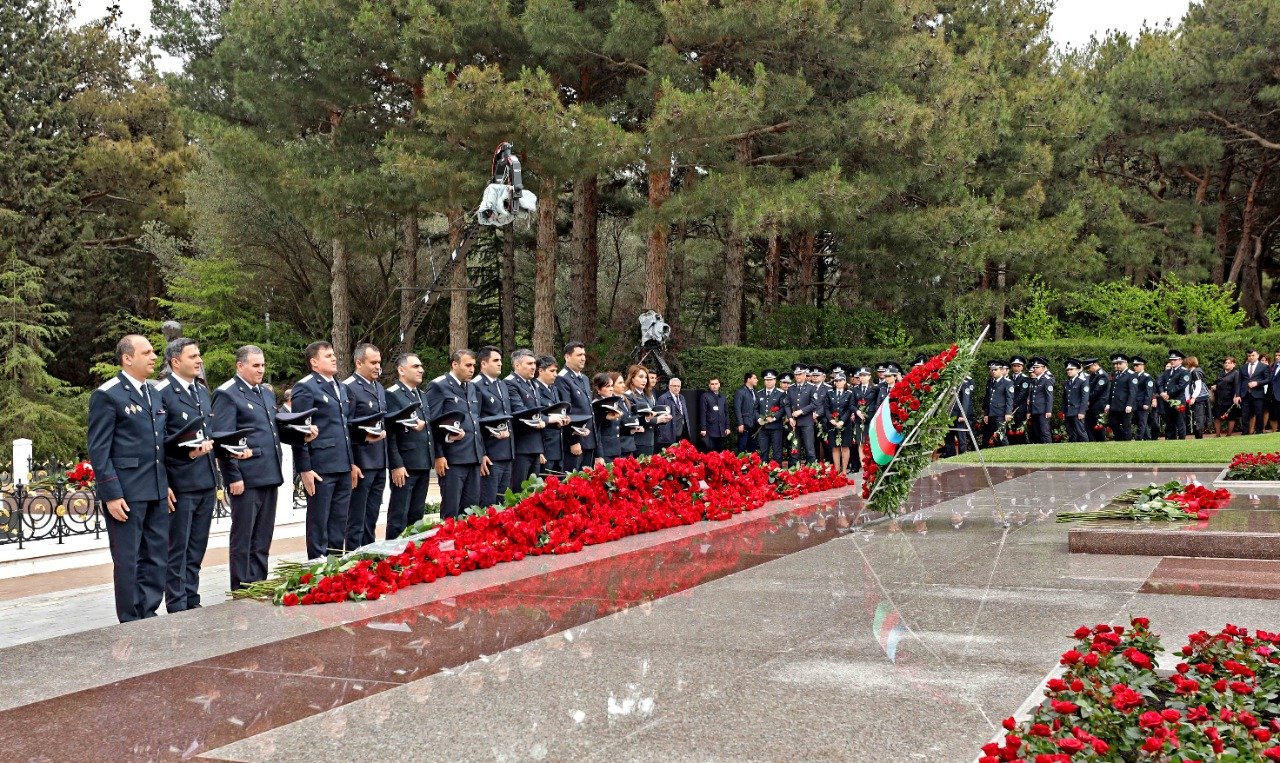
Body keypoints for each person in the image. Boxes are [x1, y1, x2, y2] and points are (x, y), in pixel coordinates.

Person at [88, 335, 171, 623]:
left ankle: (149, 610)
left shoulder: (154, 393)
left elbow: (159, 443)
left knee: (157, 555)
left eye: (153, 352)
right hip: (127, 491)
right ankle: (130, 617)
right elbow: (99, 450)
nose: (154, 357)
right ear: (127, 358)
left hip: (156, 488)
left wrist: (167, 483)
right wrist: (111, 493)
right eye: (146, 352)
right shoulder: (108, 394)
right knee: (128, 559)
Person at [212, 345, 292, 591]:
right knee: (244, 537)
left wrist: (301, 434)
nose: (261, 370)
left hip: (269, 474)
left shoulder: (265, 393)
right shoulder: (227, 394)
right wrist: (232, 476)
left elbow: (273, 429)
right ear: (240, 366)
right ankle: (242, 588)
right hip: (246, 477)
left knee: (262, 536)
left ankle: (259, 583)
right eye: (255, 365)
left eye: (263, 365)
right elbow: (224, 439)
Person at [155, 338, 219, 612]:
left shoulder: (202, 392)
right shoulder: (162, 393)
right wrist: (164, 482)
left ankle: (192, 598)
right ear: (175, 362)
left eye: (199, 354)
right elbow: (157, 444)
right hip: (180, 482)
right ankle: (177, 603)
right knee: (177, 549)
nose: (199, 360)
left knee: (196, 547)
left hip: (205, 480)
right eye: (193, 356)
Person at [290, 342, 358, 559]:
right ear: (314, 362)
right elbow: (299, 430)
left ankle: (336, 565)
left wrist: (352, 462)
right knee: (319, 521)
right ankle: (318, 566)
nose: (334, 358)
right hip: (320, 465)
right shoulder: (306, 387)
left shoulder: (341, 387)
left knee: (339, 520)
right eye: (328, 355)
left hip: (342, 463)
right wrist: (304, 468)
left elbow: (344, 428)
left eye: (334, 354)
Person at [425, 348, 489, 519]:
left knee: (471, 510)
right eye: (467, 365)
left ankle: (465, 545)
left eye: (473, 366)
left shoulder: (472, 387)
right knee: (451, 512)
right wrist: (438, 455)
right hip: (452, 460)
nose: (472, 369)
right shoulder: (438, 386)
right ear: (455, 364)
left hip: (473, 458)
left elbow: (475, 422)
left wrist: (481, 454)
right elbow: (433, 424)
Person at [342, 343, 388, 550]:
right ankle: (353, 558)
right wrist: (351, 462)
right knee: (356, 517)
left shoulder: (378, 387)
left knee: (371, 514)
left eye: (379, 362)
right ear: (358, 362)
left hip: (379, 461)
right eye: (373, 362)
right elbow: (346, 428)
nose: (378, 366)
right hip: (361, 461)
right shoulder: (348, 387)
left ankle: (368, 555)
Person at [384, 353, 433, 540]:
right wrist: (396, 464)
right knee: (399, 514)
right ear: (401, 370)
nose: (421, 370)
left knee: (416, 514)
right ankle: (393, 553)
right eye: (415, 366)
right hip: (405, 464)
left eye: (421, 366)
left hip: (422, 461)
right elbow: (391, 432)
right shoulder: (393, 394)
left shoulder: (421, 395)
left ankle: (413, 553)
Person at [476, 346, 514, 505]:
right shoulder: (476, 385)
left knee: (503, 502)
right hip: (490, 454)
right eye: (495, 360)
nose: (500, 364)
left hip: (506, 452)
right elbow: (475, 421)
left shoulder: (502, 384)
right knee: (488, 503)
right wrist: (481, 453)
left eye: (500, 360)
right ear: (483, 364)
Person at [505, 348, 546, 489]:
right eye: (529, 363)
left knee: (532, 492)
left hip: (534, 446)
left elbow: (538, 411)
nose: (533, 367)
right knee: (518, 490)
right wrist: (547, 420)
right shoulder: (510, 383)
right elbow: (520, 412)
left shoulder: (533, 384)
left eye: (534, 363)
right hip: (521, 446)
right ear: (517, 365)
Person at [556, 341, 595, 470]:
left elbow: (588, 410)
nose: (583, 358)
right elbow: (566, 412)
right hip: (575, 441)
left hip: (588, 439)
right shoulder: (562, 378)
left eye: (584, 354)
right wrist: (574, 441)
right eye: (579, 355)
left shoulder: (584, 378)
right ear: (567, 357)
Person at [535, 356, 569, 472]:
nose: (555, 374)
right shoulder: (534, 388)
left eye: (556, 371)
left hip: (558, 446)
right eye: (552, 371)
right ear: (540, 370)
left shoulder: (554, 389)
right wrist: (539, 450)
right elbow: (535, 416)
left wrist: (563, 419)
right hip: (545, 446)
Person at [623, 365, 664, 457]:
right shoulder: (628, 395)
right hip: (636, 441)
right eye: (641, 377)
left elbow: (652, 414)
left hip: (649, 439)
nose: (644, 380)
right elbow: (631, 418)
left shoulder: (647, 395)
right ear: (632, 378)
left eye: (646, 377)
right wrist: (657, 420)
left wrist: (662, 419)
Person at [822, 369, 854, 472]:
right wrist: (831, 419)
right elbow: (826, 408)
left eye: (840, 380)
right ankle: (836, 470)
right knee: (834, 447)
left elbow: (850, 408)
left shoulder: (849, 393)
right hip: (832, 424)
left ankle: (844, 470)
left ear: (845, 381)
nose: (838, 382)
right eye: (836, 381)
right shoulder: (829, 393)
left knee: (845, 447)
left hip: (845, 424)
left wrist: (842, 421)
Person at [786, 365, 818, 463]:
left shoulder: (811, 387)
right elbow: (786, 404)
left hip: (807, 422)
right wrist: (790, 418)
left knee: (810, 449)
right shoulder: (791, 388)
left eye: (800, 374)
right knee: (794, 449)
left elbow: (814, 404)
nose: (798, 376)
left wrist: (801, 411)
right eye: (796, 374)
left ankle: (812, 472)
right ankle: (794, 473)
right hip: (794, 423)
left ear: (804, 375)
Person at [755, 369, 786, 464]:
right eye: (767, 380)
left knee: (777, 451)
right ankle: (763, 473)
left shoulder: (781, 393)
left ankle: (777, 473)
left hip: (776, 427)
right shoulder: (759, 393)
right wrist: (759, 418)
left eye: (771, 379)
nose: (769, 382)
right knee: (763, 451)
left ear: (775, 380)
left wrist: (774, 417)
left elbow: (783, 409)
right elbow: (755, 409)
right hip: (762, 428)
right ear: (764, 381)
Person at [592, 373, 623, 464]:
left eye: (612, 386)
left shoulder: (612, 402)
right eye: (607, 386)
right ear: (598, 389)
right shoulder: (596, 405)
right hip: (605, 451)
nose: (611, 389)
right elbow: (597, 432)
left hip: (616, 449)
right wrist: (599, 455)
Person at [1236, 348, 1269, 435]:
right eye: (1249, 356)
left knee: (1259, 413)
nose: (1251, 357)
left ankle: (1259, 432)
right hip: (1245, 394)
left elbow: (1268, 379)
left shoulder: (1264, 367)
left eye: (1253, 355)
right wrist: (1238, 395)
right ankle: (1245, 433)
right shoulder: (1243, 367)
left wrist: (1257, 383)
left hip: (1258, 394)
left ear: (1257, 356)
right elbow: (1239, 382)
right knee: (1245, 414)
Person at [1161, 350, 1192, 440]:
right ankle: (1171, 439)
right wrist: (1162, 392)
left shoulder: (1184, 372)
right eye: (1171, 359)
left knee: (1180, 421)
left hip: (1178, 400)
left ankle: (1182, 439)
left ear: (1180, 361)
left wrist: (1168, 393)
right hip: (1167, 400)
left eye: (1175, 359)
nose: (1172, 361)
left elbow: (1181, 386)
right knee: (1169, 421)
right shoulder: (1168, 371)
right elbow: (1160, 382)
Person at [982, 360, 1014, 446]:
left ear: (1001, 370)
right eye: (991, 370)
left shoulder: (1007, 382)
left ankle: (1006, 453)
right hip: (990, 413)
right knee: (988, 435)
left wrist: (1008, 413)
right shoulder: (990, 382)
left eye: (995, 369)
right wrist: (986, 413)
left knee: (1001, 435)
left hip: (1000, 413)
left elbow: (1009, 399)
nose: (993, 371)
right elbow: (988, 398)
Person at [943, 372, 975, 457]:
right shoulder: (949, 382)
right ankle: (951, 457)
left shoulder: (963, 384)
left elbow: (965, 400)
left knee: (961, 438)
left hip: (958, 415)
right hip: (948, 415)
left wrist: (962, 414)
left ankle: (963, 457)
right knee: (948, 438)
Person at [851, 368, 878, 468]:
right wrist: (857, 411)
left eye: (864, 375)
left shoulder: (875, 388)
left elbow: (877, 403)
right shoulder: (855, 389)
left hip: (871, 419)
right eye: (861, 375)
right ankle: (863, 464)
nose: (862, 377)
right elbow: (851, 404)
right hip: (859, 419)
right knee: (861, 442)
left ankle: (872, 462)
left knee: (871, 441)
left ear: (869, 376)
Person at [1105, 354, 1135, 441]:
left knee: (1126, 425)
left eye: (1119, 364)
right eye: (1115, 364)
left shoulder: (1131, 374)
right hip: (1115, 405)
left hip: (1125, 405)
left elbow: (1132, 392)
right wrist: (1108, 404)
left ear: (1126, 363)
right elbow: (1111, 390)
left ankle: (1127, 441)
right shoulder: (1115, 374)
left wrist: (1129, 404)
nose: (1116, 366)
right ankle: (1120, 439)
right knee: (1112, 423)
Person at [656, 377, 689, 449]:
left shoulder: (682, 397)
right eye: (674, 386)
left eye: (678, 386)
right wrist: (664, 435)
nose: (676, 388)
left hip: (681, 431)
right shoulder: (663, 398)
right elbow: (659, 418)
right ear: (669, 386)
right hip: (669, 434)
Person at [1027, 357, 1054, 444]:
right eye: (1034, 367)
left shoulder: (1047, 379)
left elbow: (1049, 396)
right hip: (1035, 410)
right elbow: (1032, 397)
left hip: (1043, 410)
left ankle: (1048, 449)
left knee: (1045, 431)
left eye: (1037, 367)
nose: (1034, 369)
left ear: (1043, 368)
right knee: (1037, 431)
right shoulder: (1035, 380)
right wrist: (1029, 411)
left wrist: (1048, 410)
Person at [699, 376, 730, 451]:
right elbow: (703, 413)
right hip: (710, 430)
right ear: (709, 385)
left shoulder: (722, 396)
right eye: (712, 384)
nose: (714, 386)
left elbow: (726, 412)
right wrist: (703, 428)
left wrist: (727, 427)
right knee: (710, 452)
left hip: (722, 430)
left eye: (716, 383)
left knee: (721, 452)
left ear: (719, 385)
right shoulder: (705, 396)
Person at [1063, 359, 1089, 443]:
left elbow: (1084, 398)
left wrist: (1082, 412)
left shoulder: (1083, 381)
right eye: (1068, 370)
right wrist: (1064, 411)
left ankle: (1087, 448)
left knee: (1080, 432)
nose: (1069, 371)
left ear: (1077, 370)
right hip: (1068, 411)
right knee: (1070, 433)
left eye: (1071, 369)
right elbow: (1064, 398)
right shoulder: (1067, 382)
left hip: (1077, 411)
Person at [1131, 357, 1157, 441]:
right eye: (1134, 365)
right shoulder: (1134, 376)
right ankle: (1147, 438)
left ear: (1142, 366)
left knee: (1142, 422)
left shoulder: (1147, 377)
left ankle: (1138, 438)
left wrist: (1146, 403)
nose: (1135, 367)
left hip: (1143, 403)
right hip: (1136, 403)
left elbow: (1149, 391)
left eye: (1137, 365)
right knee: (1141, 422)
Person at [1007, 357, 1031, 445]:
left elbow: (1022, 394)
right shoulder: (1009, 378)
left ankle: (1022, 445)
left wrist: (1012, 405)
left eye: (1018, 366)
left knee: (1019, 429)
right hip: (1010, 408)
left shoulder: (1025, 379)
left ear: (1022, 367)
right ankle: (1012, 445)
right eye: (1014, 366)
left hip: (1019, 408)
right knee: (1010, 428)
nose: (1016, 368)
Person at [1214, 356, 1240, 436]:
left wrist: (1236, 396)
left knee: (1231, 417)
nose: (1227, 364)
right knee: (1217, 417)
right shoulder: (1221, 373)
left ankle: (1229, 434)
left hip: (1229, 398)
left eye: (1229, 363)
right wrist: (1215, 386)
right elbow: (1218, 382)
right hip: (1219, 398)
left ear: (1234, 364)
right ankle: (1217, 434)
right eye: (1225, 363)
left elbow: (1237, 385)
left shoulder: (1236, 373)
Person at [1185, 355, 1210, 439]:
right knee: (1197, 417)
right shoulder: (1194, 372)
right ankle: (1198, 435)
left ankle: (1199, 436)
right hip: (1198, 398)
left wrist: (1193, 397)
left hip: (1199, 399)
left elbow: (1198, 386)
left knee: (1198, 418)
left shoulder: (1195, 372)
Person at [1084, 358, 1109, 441]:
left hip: (1099, 404)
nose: (1088, 370)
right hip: (1092, 404)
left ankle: (1101, 441)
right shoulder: (1094, 374)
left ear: (1094, 365)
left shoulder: (1102, 375)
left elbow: (1097, 391)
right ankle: (1093, 440)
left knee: (1099, 425)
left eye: (1088, 368)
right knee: (1089, 424)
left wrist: (1087, 399)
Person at [734, 372, 759, 453]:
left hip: (754, 424)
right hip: (744, 424)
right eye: (755, 378)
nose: (757, 380)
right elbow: (737, 408)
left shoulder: (755, 392)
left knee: (752, 448)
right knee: (742, 447)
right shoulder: (740, 391)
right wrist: (740, 423)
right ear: (748, 379)